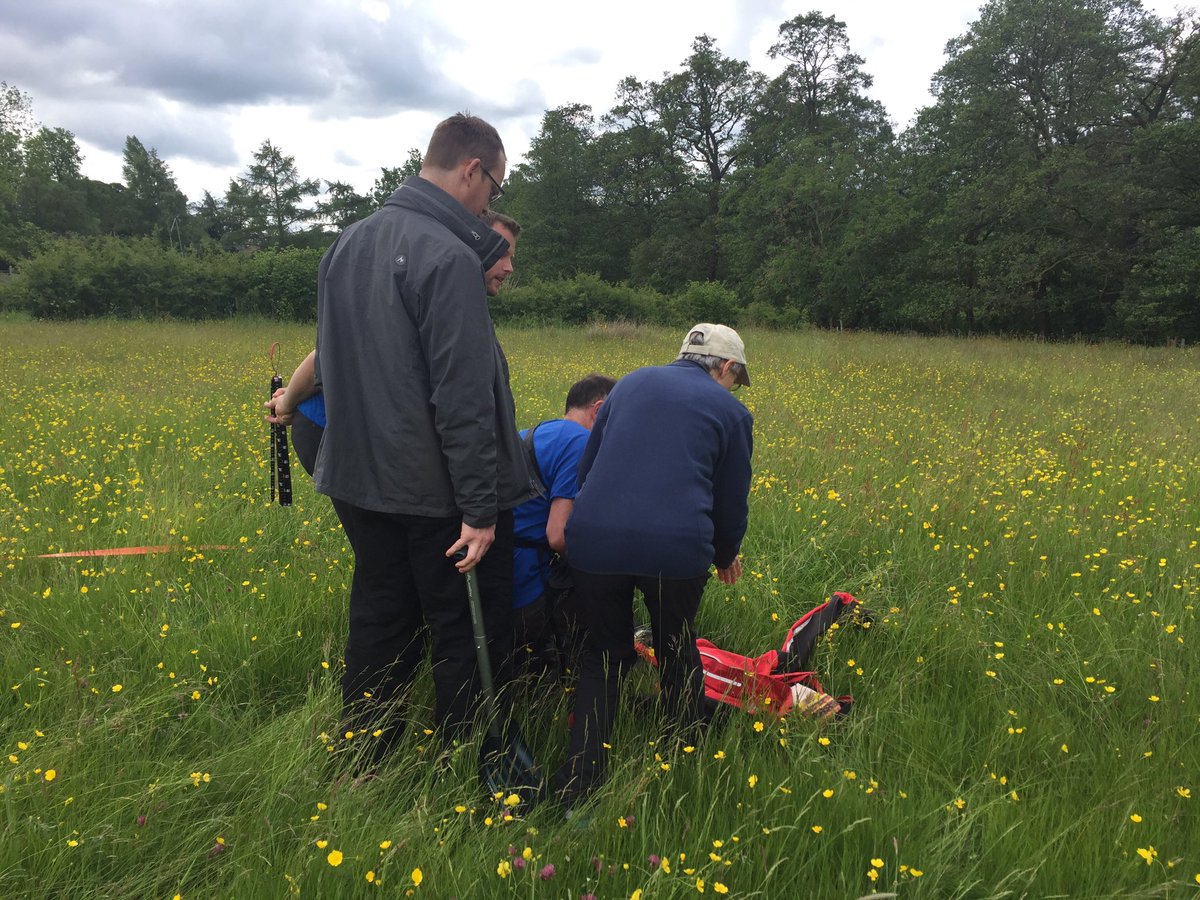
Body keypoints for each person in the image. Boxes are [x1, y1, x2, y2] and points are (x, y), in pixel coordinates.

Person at [311, 114, 539, 766]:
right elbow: (461, 397)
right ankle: (467, 760)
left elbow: (332, 363)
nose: (489, 200)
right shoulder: (448, 257)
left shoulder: (347, 244)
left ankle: (361, 760)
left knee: (381, 620)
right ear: (472, 170)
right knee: (467, 630)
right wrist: (477, 508)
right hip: (438, 495)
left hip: (360, 482)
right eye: (493, 186)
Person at [551, 323, 754, 804]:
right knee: (675, 646)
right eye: (735, 377)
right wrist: (724, 556)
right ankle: (681, 758)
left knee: (602, 658)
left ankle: (581, 782)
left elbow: (587, 471)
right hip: (676, 550)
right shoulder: (731, 412)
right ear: (725, 368)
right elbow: (731, 504)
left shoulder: (631, 383)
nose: (732, 387)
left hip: (595, 541)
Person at [265, 210, 523, 477]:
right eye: (500, 253)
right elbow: (326, 355)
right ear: (471, 244)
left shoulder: (455, 299)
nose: (508, 267)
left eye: (510, 256)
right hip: (326, 427)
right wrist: (288, 404)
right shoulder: (423, 288)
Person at [512, 374, 616, 674]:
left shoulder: (534, 432)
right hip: (526, 581)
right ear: (598, 411)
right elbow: (558, 536)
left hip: (495, 567)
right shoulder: (580, 442)